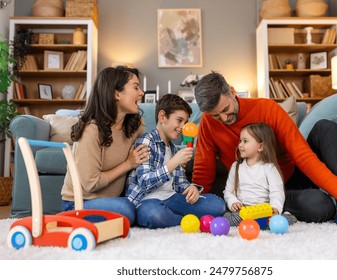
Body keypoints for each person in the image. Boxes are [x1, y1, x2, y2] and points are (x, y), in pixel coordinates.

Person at [192, 71, 337, 227]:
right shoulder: (208, 123)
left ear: (231, 91)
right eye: (216, 115)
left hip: (289, 176)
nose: (224, 118)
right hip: (259, 192)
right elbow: (203, 168)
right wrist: (199, 206)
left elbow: (302, 155)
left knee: (327, 127)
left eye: (225, 109)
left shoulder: (267, 109)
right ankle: (276, 208)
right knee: (320, 206)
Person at [61, 66, 150, 226]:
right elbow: (91, 183)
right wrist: (128, 164)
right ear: (116, 94)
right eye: (136, 87)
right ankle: (68, 219)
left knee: (144, 208)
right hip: (79, 203)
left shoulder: (136, 126)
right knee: (127, 210)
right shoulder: (91, 131)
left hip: (113, 201)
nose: (141, 93)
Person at [125, 94, 226, 229]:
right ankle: (186, 220)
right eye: (179, 120)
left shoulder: (173, 148)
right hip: (148, 200)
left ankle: (176, 217)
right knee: (153, 215)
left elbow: (180, 183)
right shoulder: (146, 141)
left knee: (217, 205)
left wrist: (191, 188)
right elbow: (144, 182)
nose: (182, 127)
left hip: (171, 198)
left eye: (185, 122)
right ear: (162, 117)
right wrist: (174, 162)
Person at [223, 122, 294, 226]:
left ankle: (286, 215)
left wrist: (275, 208)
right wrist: (233, 202)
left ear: (260, 146)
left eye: (245, 141)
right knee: (228, 219)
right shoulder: (236, 166)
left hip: (263, 211)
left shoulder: (269, 168)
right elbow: (228, 191)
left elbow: (277, 192)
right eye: (240, 141)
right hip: (243, 211)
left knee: (278, 221)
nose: (240, 145)